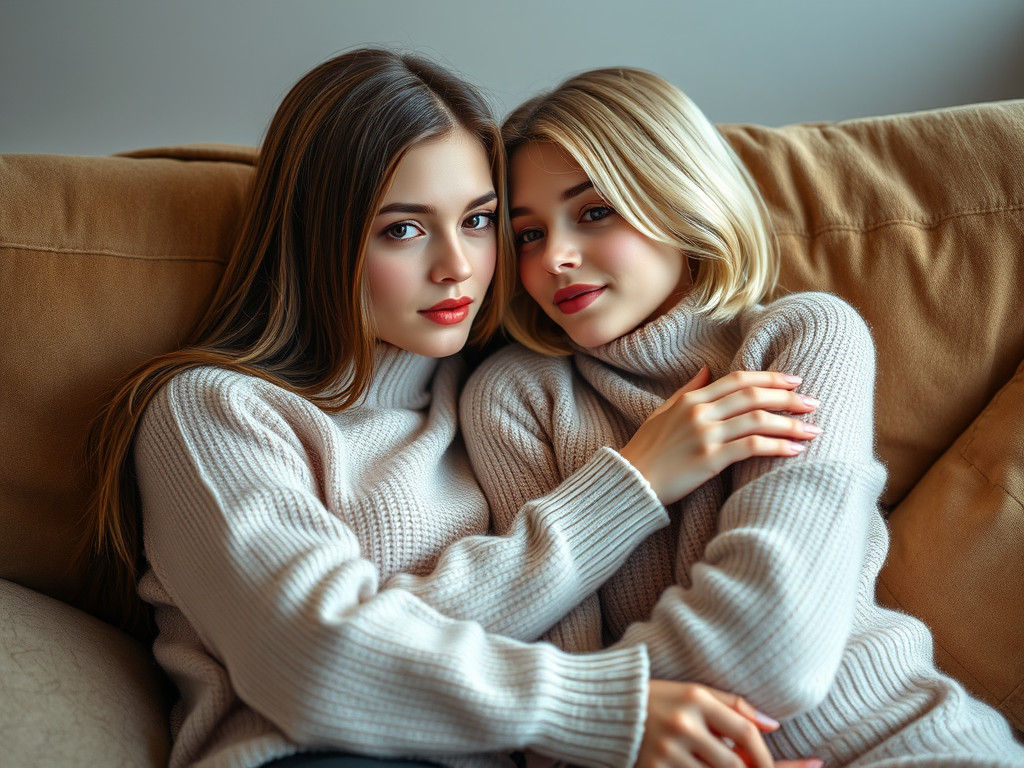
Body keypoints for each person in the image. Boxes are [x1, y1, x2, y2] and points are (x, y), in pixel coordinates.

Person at [72, 50, 822, 768]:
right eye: (403, 229)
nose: (458, 266)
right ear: (319, 240)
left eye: (481, 220)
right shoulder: (214, 413)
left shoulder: (505, 388)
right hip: (321, 756)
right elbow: (315, 660)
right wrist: (627, 500)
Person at [460, 66, 1024, 767]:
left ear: (675, 194)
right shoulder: (514, 396)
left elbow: (773, 648)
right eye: (526, 236)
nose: (557, 259)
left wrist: (601, 715)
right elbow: (551, 701)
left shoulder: (804, 337)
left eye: (595, 211)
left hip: (902, 743)